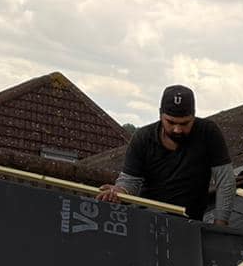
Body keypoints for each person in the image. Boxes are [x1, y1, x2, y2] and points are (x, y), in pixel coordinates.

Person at [99, 85, 234, 224]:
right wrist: (120, 192)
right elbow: (130, 181)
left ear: (193, 116)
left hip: (189, 223)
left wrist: (220, 224)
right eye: (171, 122)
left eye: (185, 123)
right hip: (146, 218)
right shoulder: (143, 138)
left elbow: (225, 180)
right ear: (160, 115)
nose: (177, 129)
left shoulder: (208, 133)